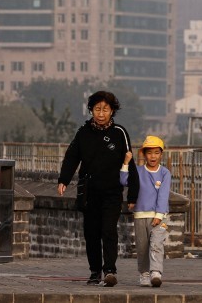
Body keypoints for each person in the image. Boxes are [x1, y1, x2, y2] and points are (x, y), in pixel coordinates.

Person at [57, 91, 134, 287]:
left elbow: (129, 163)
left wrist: (133, 194)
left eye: (105, 110)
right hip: (89, 192)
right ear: (91, 110)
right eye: (97, 109)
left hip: (111, 192)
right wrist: (63, 179)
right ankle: (95, 271)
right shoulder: (83, 133)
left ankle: (110, 270)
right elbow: (72, 156)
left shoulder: (119, 133)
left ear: (112, 111)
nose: (101, 114)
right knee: (91, 233)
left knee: (108, 230)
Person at [120, 135, 171, 288]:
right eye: (149, 152)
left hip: (159, 216)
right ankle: (144, 273)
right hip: (140, 215)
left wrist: (159, 215)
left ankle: (156, 272)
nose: (153, 156)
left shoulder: (164, 173)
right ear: (144, 154)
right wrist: (125, 163)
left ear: (161, 154)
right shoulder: (138, 171)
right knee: (142, 247)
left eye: (156, 152)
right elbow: (124, 181)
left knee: (156, 244)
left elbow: (163, 195)